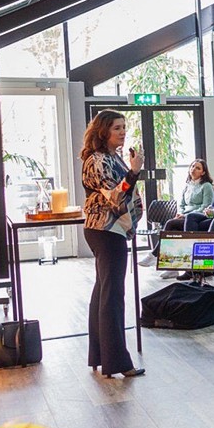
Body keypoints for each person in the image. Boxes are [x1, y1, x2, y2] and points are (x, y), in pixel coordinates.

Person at [80, 110, 145, 378]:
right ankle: (118, 362)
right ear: (103, 130)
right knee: (112, 296)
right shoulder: (97, 160)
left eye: (124, 127)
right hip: (106, 230)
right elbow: (116, 197)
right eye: (117, 127)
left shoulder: (111, 157)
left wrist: (131, 170)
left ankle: (100, 355)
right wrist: (134, 170)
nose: (122, 132)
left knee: (103, 292)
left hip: (110, 230)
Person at [181, 161, 214, 232]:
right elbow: (212, 205)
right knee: (188, 217)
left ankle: (194, 238)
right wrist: (209, 210)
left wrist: (212, 210)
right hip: (211, 215)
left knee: (192, 217)